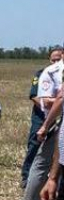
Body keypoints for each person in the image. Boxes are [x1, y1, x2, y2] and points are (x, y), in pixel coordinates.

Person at [3, 54, 64, 200]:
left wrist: (46, 125)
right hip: (58, 121)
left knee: (41, 164)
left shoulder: (52, 71)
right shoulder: (49, 72)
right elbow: (40, 100)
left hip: (59, 124)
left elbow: (59, 99)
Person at [22, 48, 63, 188]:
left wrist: (54, 101)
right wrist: (52, 103)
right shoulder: (42, 74)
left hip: (60, 117)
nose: (56, 62)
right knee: (34, 146)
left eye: (59, 59)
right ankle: (26, 176)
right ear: (49, 59)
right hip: (41, 116)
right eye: (53, 59)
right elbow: (34, 96)